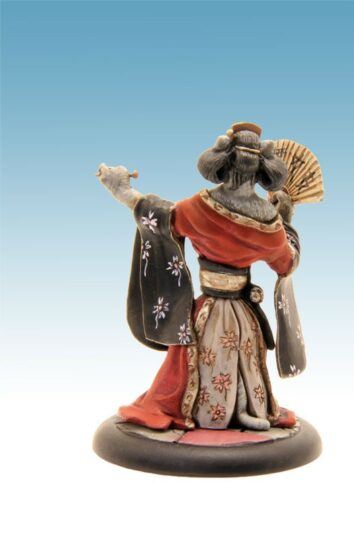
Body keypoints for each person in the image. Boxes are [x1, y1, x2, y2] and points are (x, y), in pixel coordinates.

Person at [96, 122, 300, 432]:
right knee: (246, 356)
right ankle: (247, 408)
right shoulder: (270, 222)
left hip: (206, 311)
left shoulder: (200, 207)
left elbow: (160, 217)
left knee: (189, 362)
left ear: (222, 162)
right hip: (244, 312)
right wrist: (286, 219)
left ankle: (212, 410)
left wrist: (122, 191)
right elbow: (286, 262)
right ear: (262, 170)